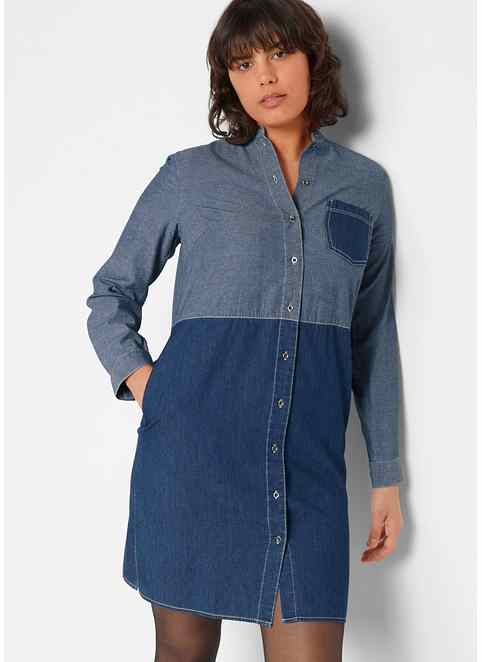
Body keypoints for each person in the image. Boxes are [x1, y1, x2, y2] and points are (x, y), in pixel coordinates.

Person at [85, 0, 405, 659]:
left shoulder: (364, 187)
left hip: (305, 478)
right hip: (190, 465)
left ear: (313, 60)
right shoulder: (190, 176)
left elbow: (371, 337)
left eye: (280, 53)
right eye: (242, 62)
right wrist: (149, 386)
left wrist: (386, 476)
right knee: (183, 654)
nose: (265, 76)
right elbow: (110, 293)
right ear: (226, 80)